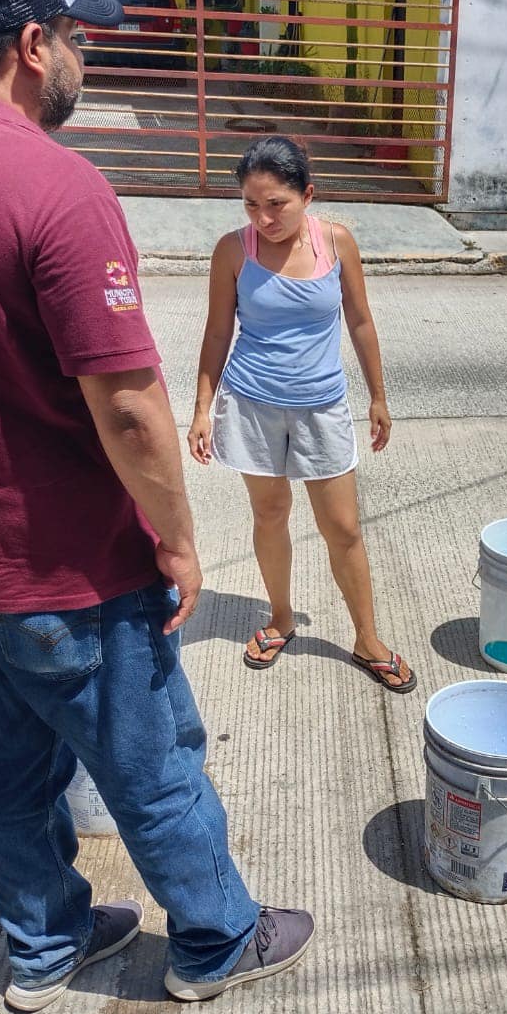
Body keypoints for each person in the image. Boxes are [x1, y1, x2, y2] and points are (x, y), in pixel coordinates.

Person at [0, 0, 312, 1010]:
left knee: (15, 764)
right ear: (31, 45)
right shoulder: (55, 187)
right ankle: (215, 940)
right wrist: (178, 542)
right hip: (72, 571)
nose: (83, 58)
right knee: (153, 765)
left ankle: (45, 946)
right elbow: (132, 409)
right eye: (76, 37)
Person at [187, 136, 416, 693]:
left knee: (343, 528)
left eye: (276, 204)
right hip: (251, 404)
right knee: (269, 515)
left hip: (322, 407)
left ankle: (367, 639)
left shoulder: (336, 242)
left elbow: (360, 321)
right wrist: (202, 408)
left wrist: (378, 396)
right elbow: (217, 332)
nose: (263, 218)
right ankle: (281, 617)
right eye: (251, 205)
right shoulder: (232, 251)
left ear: (307, 195)